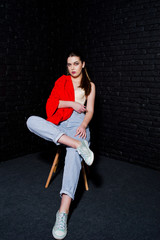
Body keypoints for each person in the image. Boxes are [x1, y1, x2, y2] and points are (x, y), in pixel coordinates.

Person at [26, 50, 96, 239]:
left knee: (73, 154)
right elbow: (52, 103)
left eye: (76, 63)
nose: (72, 67)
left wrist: (83, 124)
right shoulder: (61, 81)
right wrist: (72, 104)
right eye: (69, 64)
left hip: (78, 125)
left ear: (83, 64)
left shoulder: (90, 85)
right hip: (60, 123)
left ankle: (62, 213)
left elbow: (89, 111)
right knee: (31, 121)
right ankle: (75, 144)